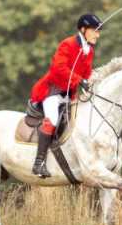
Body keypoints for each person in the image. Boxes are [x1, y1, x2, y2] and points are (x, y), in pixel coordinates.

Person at [29, 14, 102, 177]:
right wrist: (79, 80)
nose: (98, 34)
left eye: (98, 31)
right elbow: (58, 68)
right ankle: (38, 163)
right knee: (53, 119)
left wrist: (91, 82)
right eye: (95, 31)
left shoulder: (89, 50)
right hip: (52, 91)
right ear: (83, 30)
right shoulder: (68, 44)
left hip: (70, 95)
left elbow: (87, 73)